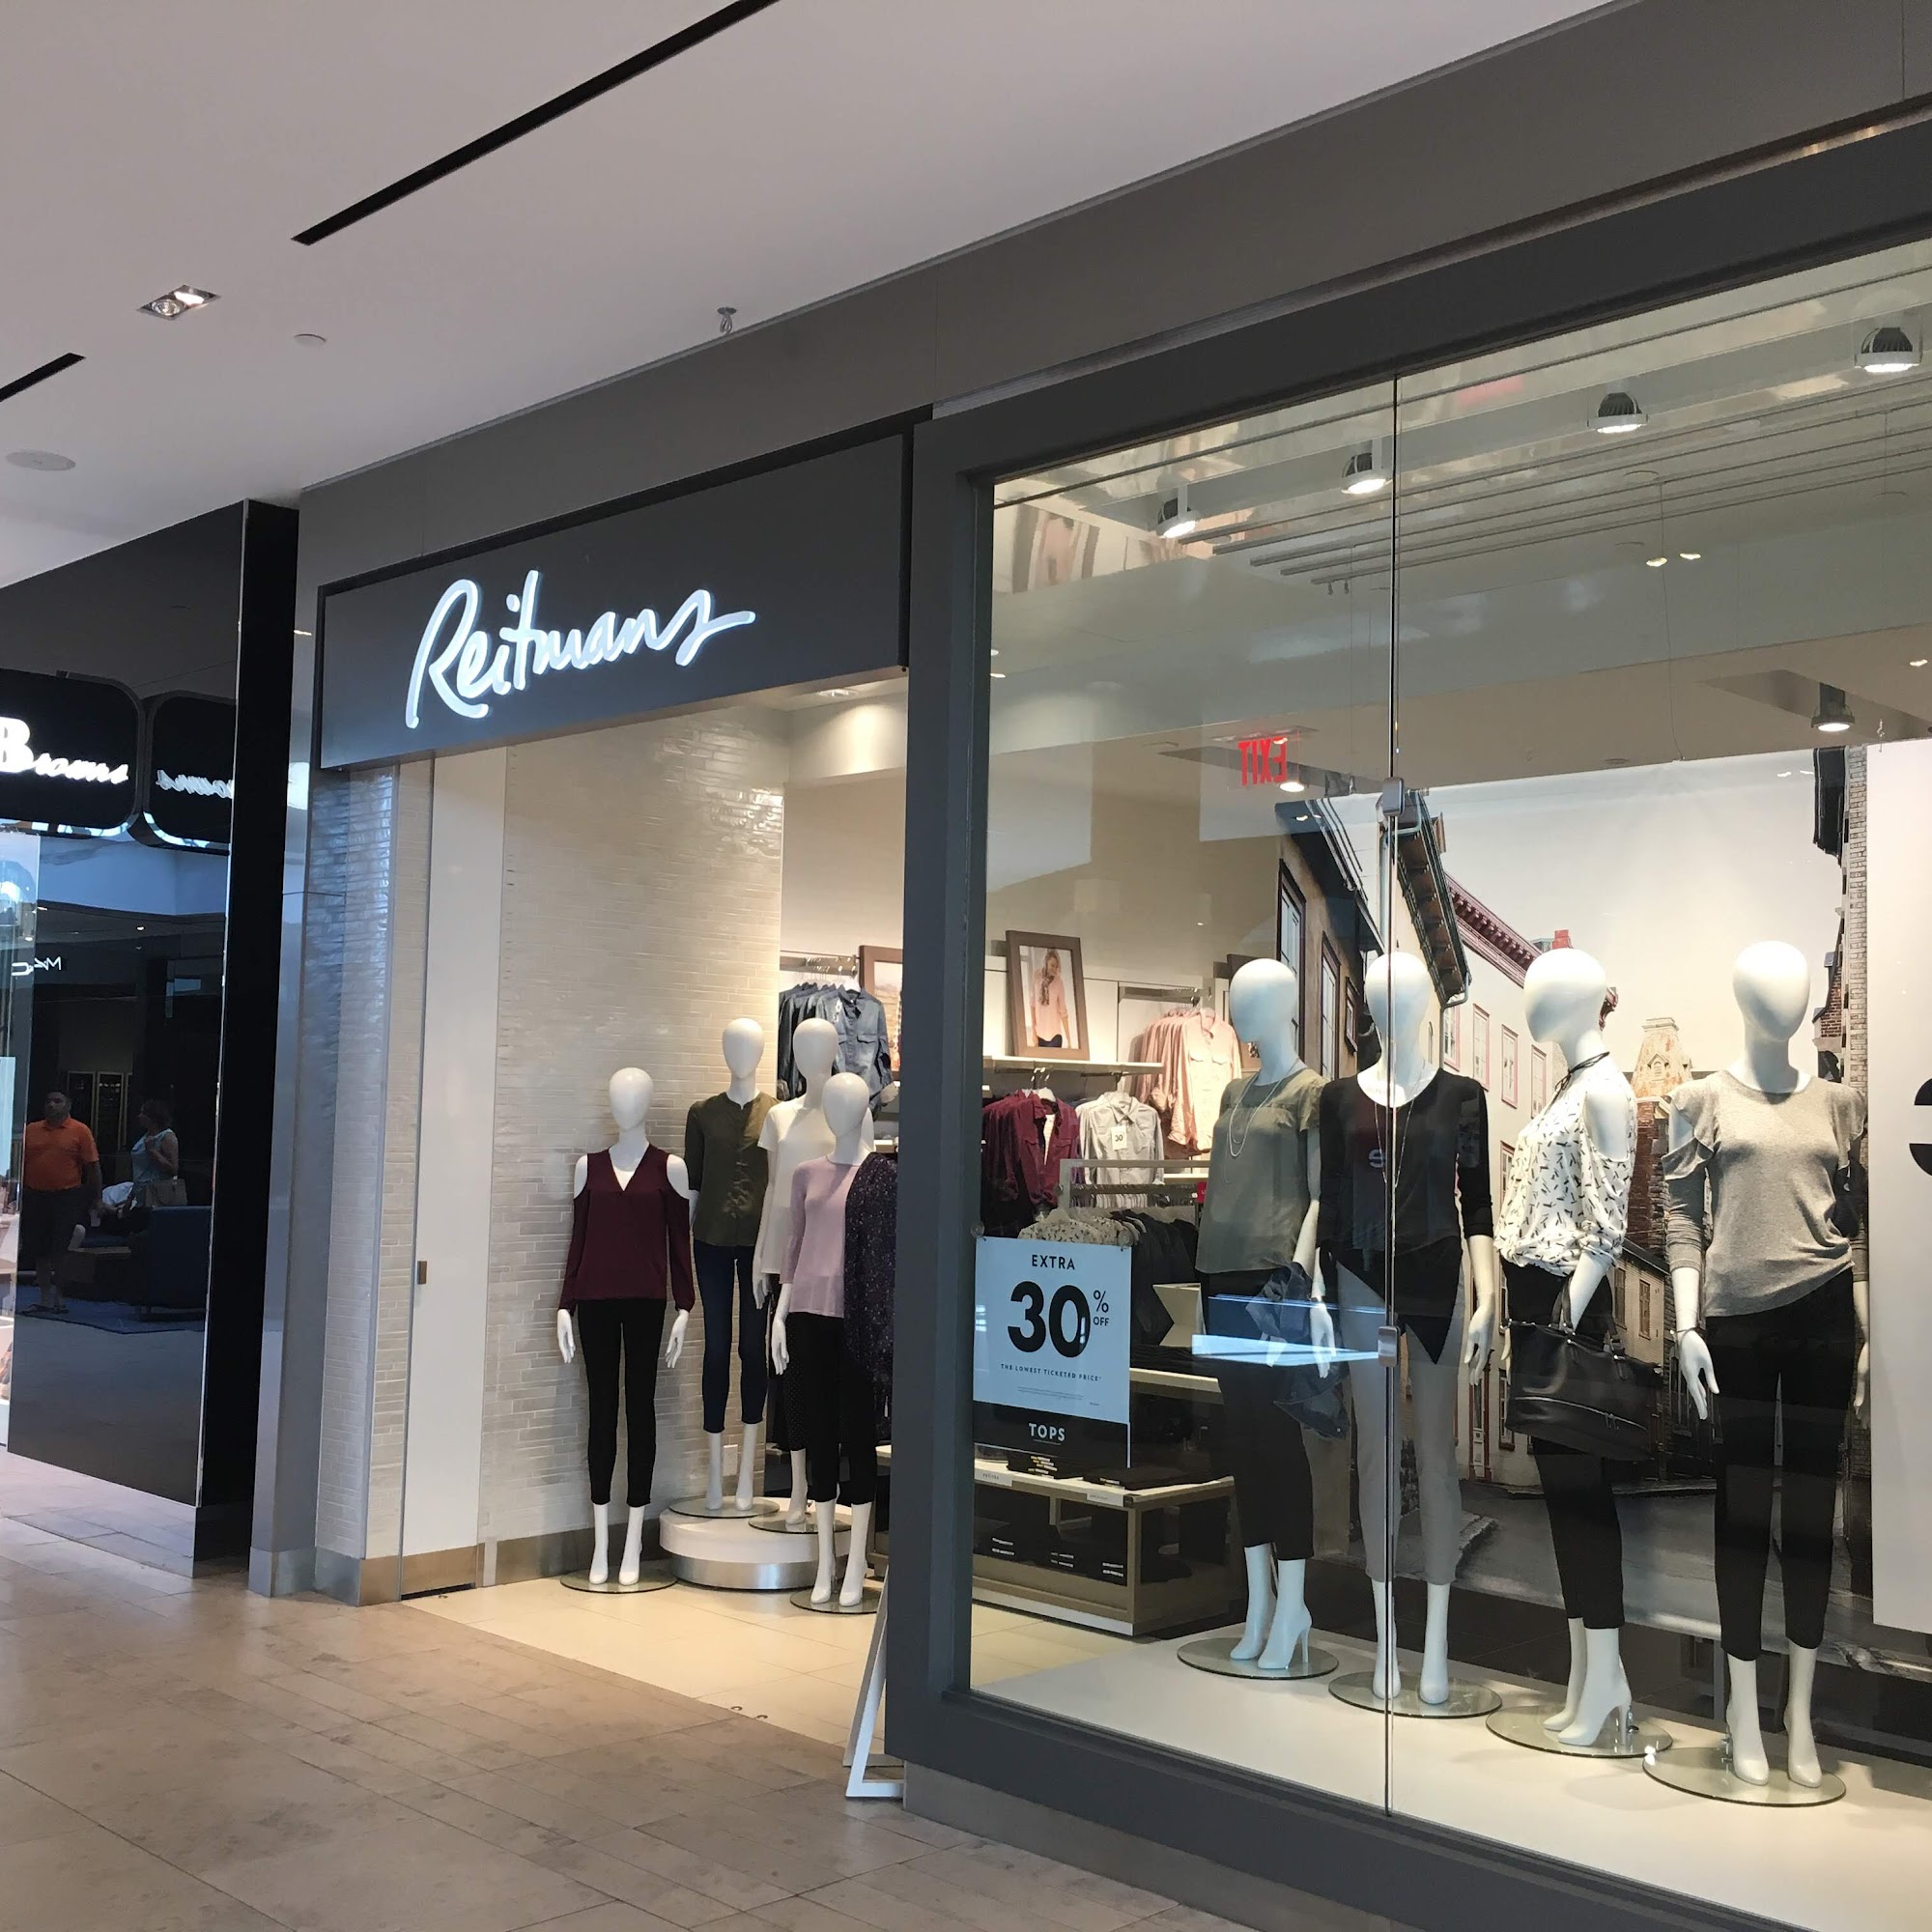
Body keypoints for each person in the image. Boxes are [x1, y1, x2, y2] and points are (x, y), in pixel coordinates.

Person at [21, 1092, 99, 1315]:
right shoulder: (31, 1130)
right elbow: (18, 1161)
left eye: (58, 1101)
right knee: (39, 1249)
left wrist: (97, 1197)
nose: (52, 1105)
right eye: (48, 1101)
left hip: (66, 1196)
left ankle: (60, 1298)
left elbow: (93, 1166)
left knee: (61, 1248)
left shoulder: (80, 1130)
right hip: (35, 1195)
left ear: (68, 1105)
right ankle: (45, 1298)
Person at [129, 1098, 183, 1208]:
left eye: (143, 1113)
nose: (139, 1116)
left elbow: (173, 1169)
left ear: (152, 1117)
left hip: (158, 1196)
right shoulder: (146, 1136)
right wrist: (130, 1197)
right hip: (141, 1193)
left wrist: (152, 1151)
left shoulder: (166, 1136)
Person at [1033, 949, 1072, 1050]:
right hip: (1039, 1034)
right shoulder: (1037, 976)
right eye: (1052, 965)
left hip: (1055, 1035)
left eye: (1056, 966)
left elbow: (1063, 1011)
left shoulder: (1058, 982)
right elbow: (1033, 1004)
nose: (1054, 969)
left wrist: (1069, 1039)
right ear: (1046, 963)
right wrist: (1033, 1032)